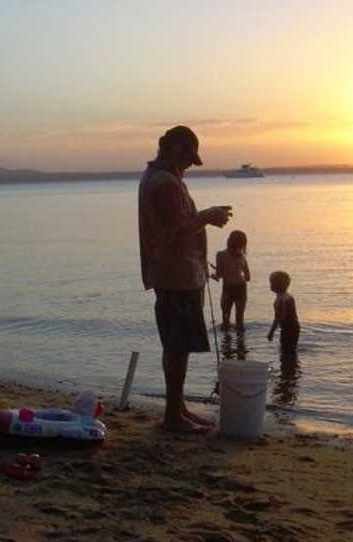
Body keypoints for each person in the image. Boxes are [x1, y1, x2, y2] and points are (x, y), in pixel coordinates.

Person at [138, 125, 233, 433]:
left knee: (178, 344)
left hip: (176, 273)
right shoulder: (165, 182)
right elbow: (176, 229)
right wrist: (207, 215)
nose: (192, 165)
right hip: (176, 276)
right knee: (178, 346)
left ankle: (177, 409)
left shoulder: (159, 178)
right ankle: (173, 416)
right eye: (190, 158)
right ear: (176, 149)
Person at [212, 230, 250, 331]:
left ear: (229, 240)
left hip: (228, 288)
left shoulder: (220, 254)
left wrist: (212, 276)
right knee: (240, 320)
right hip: (241, 288)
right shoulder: (242, 256)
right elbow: (248, 277)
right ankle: (241, 344)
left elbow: (218, 275)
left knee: (225, 319)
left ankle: (226, 345)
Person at [267, 271, 300, 356]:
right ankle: (292, 365)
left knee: (286, 350)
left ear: (275, 286)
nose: (270, 285)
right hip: (294, 326)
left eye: (271, 282)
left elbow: (279, 318)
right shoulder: (288, 296)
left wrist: (271, 332)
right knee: (291, 349)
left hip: (288, 329)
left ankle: (287, 367)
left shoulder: (281, 300)